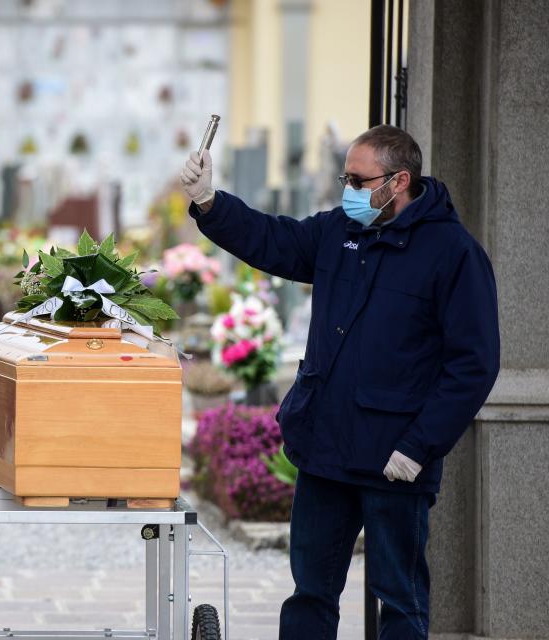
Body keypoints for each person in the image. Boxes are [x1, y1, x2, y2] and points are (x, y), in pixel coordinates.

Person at [181, 124, 500, 640]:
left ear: (398, 181)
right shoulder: (340, 232)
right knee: (310, 593)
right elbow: (273, 239)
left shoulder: (453, 253)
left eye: (357, 179)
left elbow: (475, 363)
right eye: (344, 177)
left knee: (400, 602)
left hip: (395, 461)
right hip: (326, 449)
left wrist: (420, 446)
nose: (347, 189)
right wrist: (209, 201)